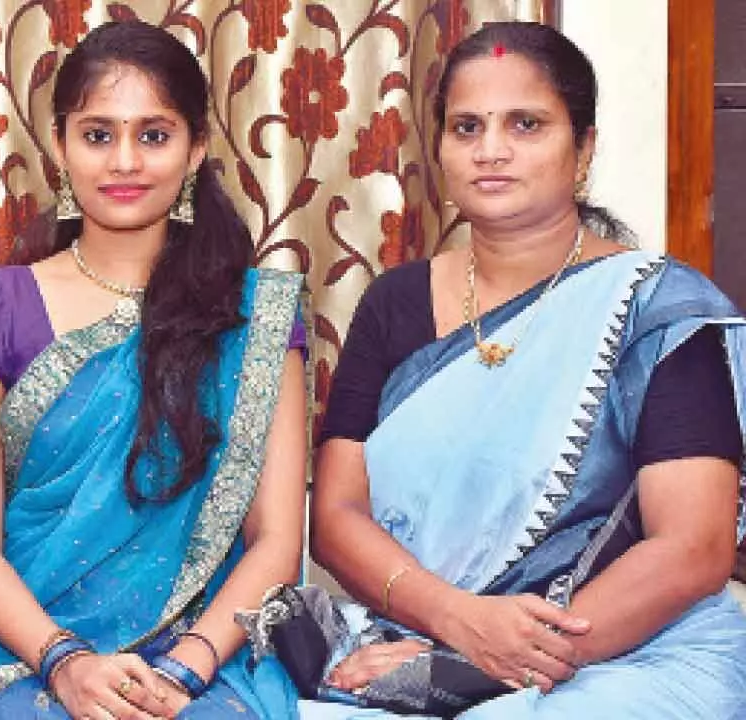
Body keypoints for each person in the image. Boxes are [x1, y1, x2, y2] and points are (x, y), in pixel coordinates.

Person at [296, 21, 746, 719]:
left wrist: (498, 658)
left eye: (526, 124)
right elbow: (337, 514)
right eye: (466, 127)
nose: (491, 151)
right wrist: (458, 624)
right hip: (422, 630)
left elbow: (694, 547)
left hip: (626, 654)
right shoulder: (394, 304)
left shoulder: (656, 308)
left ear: (583, 148)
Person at [0, 19, 308, 720]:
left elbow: (277, 541)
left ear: (195, 151)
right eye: (98, 135)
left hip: (204, 658)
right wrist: (65, 662)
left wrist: (183, 674)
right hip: (21, 655)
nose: (124, 160)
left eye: (153, 135)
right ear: (60, 148)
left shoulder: (256, 317)